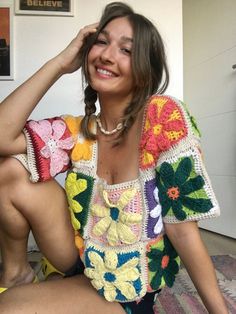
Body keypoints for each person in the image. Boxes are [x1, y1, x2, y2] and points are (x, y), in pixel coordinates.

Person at [0, 2, 228, 313]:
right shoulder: (79, 132)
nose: (107, 55)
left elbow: (183, 231)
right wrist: (59, 64)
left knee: (10, 308)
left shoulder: (163, 119)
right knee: (9, 170)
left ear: (146, 69)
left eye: (126, 50)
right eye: (102, 42)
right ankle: (17, 274)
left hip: (125, 289)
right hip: (81, 258)